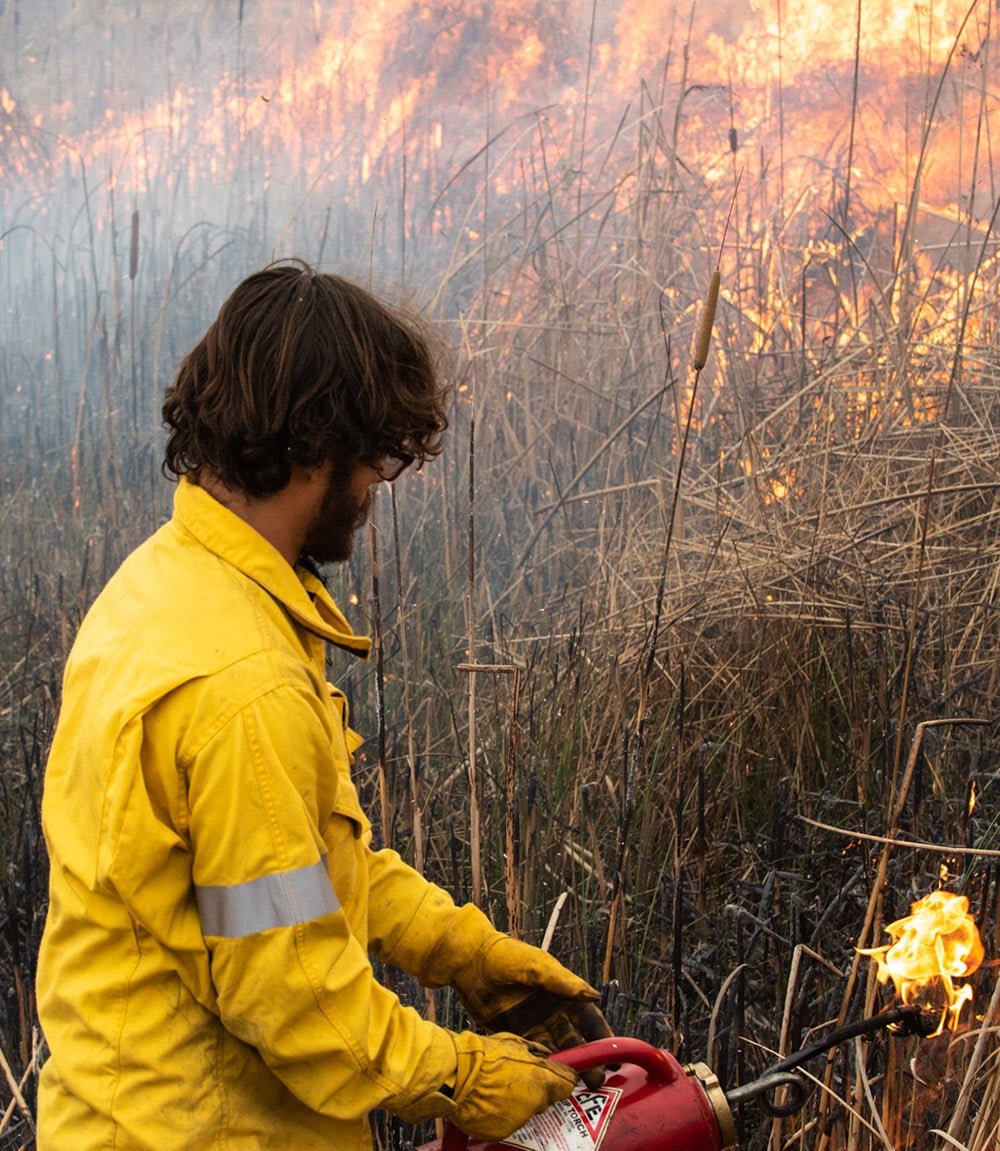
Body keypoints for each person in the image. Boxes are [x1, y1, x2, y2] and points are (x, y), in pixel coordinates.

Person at [35, 261, 612, 1150]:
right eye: (376, 451)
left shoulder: (161, 588)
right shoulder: (241, 686)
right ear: (314, 444)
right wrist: (465, 1076)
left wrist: (461, 952)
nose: (379, 479)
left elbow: (289, 874)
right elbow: (297, 1000)